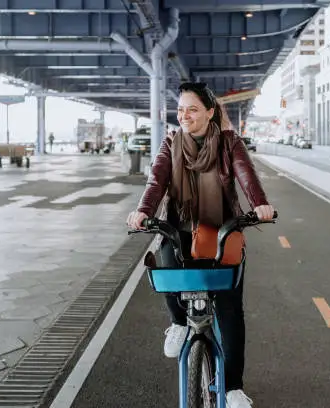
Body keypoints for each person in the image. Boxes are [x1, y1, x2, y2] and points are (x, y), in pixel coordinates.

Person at [127, 82, 274, 408]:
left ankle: (233, 387)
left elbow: (245, 174)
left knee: (230, 311)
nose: (185, 116)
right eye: (180, 110)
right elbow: (157, 179)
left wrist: (260, 204)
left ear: (210, 112)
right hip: (180, 228)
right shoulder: (171, 143)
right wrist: (143, 211)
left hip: (221, 230)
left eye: (192, 109)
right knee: (163, 260)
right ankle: (179, 323)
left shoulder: (228, 142)